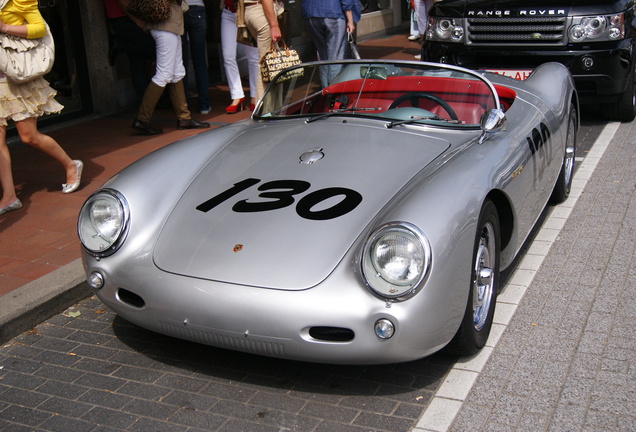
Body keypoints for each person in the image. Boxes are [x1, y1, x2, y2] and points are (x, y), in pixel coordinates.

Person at [0, 0, 82, 216]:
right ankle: (9, 196)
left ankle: (71, 165)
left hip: (14, 77)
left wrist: (4, 27)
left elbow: (38, 29)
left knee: (28, 136)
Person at [127, 0, 210, 135]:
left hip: (171, 24)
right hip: (165, 25)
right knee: (164, 74)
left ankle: (184, 118)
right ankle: (142, 118)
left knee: (177, 72)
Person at [102, 0, 155, 101]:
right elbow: (122, 2)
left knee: (137, 59)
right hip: (125, 17)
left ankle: (145, 100)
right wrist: (137, 20)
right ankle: (121, 45)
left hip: (126, 16)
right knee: (155, 49)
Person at [301, 0, 360, 87]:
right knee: (335, 56)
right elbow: (346, 2)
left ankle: (326, 90)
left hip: (311, 14)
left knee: (323, 56)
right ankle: (333, 92)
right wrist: (350, 20)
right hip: (333, 12)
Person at [221, 0, 259, 113]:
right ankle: (236, 95)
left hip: (248, 10)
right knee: (228, 56)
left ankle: (255, 95)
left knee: (253, 57)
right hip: (229, 12)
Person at [240, 0, 282, 101]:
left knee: (270, 65)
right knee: (267, 66)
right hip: (261, 12)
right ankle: (263, 112)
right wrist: (274, 26)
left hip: (251, 10)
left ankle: (271, 109)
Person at [181, 0, 211, 114]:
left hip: (180, 10)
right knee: (200, 61)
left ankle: (184, 106)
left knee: (181, 63)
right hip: (198, 8)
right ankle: (204, 105)